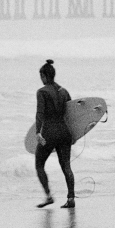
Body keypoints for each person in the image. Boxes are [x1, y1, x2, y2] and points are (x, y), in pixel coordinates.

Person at [34, 59, 75, 209]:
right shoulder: (64, 91)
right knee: (66, 166)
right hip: (65, 133)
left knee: (39, 164)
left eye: (41, 76)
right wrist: (74, 135)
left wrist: (38, 132)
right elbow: (72, 115)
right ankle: (71, 198)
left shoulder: (42, 92)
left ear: (44, 76)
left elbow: (40, 114)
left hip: (50, 133)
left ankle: (49, 196)